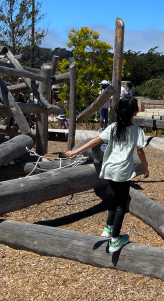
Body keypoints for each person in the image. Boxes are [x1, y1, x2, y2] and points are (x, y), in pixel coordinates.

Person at [65, 96, 149, 253]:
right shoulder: (137, 131)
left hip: (109, 169)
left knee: (115, 197)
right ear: (135, 112)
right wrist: (145, 167)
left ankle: (109, 227)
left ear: (118, 111)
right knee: (121, 204)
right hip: (122, 171)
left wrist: (75, 151)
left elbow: (96, 140)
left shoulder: (113, 128)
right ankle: (115, 240)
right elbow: (140, 151)